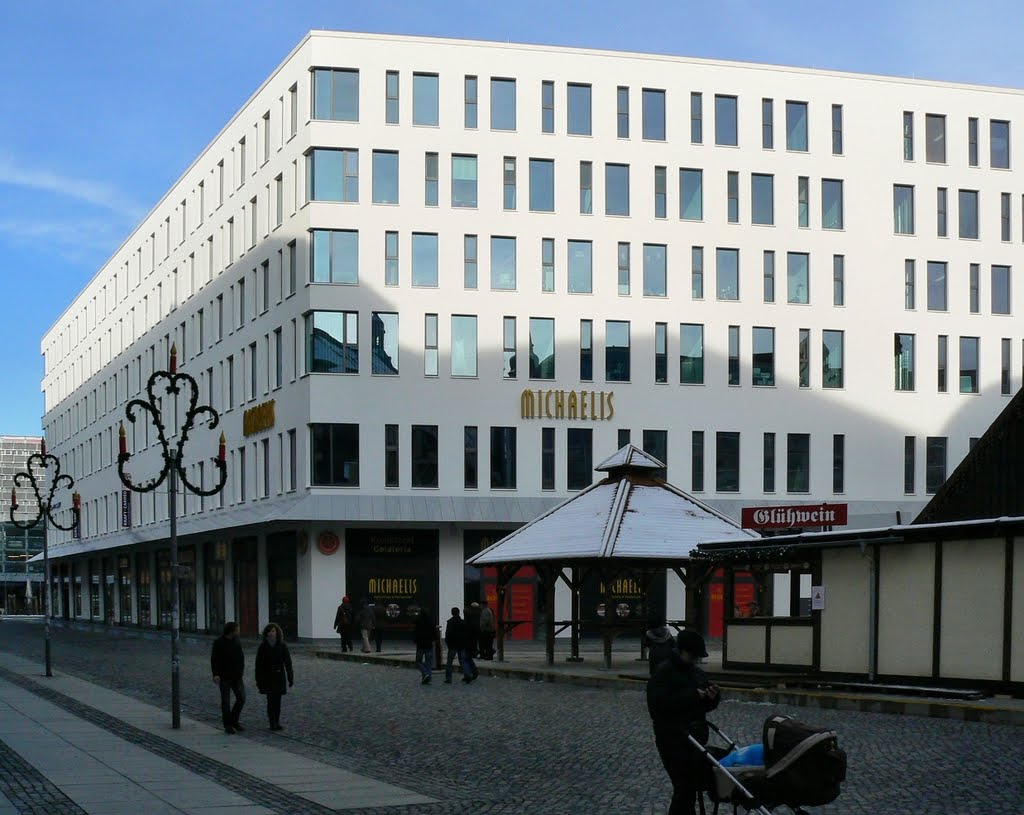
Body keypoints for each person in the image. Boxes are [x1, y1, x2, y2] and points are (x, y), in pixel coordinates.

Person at [646, 630, 721, 815]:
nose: (696, 660)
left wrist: (712, 696)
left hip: (695, 737)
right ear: (681, 651)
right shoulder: (664, 672)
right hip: (672, 738)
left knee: (689, 787)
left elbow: (706, 705)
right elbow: (658, 706)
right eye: (693, 656)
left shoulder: (695, 672)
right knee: (684, 787)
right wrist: (694, 695)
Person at [255, 622, 294, 731]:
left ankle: (276, 721)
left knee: (277, 701)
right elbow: (258, 665)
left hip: (279, 676)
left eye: (273, 631)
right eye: (270, 631)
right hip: (267, 677)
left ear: (277, 633)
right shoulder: (263, 647)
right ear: (266, 634)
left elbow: (288, 662)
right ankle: (272, 722)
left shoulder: (282, 646)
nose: (272, 633)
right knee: (270, 700)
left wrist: (290, 676)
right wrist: (259, 680)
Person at [210, 621, 246, 734]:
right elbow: (214, 659)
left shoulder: (236, 641)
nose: (239, 631)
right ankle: (228, 725)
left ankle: (234, 720)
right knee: (225, 701)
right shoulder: (219, 642)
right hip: (224, 676)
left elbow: (241, 657)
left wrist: (241, 670)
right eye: (237, 629)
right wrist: (215, 674)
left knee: (241, 698)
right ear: (232, 630)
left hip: (236, 676)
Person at [443, 607, 476, 684]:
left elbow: (447, 634)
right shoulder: (462, 622)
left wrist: (448, 643)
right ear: (459, 613)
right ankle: (467, 675)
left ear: (452, 613)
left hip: (452, 645)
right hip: (461, 645)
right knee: (463, 661)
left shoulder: (450, 622)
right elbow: (466, 634)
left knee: (449, 662)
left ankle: (448, 678)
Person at [413, 608, 435, 685]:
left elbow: (415, 632)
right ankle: (428, 677)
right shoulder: (431, 621)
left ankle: (425, 674)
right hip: (429, 644)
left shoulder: (418, 621)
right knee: (429, 663)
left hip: (420, 645)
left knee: (418, 661)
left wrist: (415, 640)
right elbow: (434, 632)